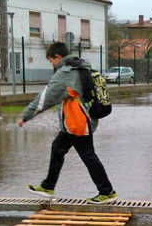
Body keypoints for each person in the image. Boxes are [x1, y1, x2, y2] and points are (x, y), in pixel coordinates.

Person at [19, 42, 117, 204]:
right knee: (58, 148)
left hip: (78, 124)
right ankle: (48, 186)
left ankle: (107, 191)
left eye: (51, 61)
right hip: (74, 123)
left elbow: (46, 98)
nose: (52, 65)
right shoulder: (81, 67)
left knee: (88, 156)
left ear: (57, 57)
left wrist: (26, 115)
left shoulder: (66, 72)